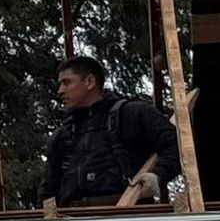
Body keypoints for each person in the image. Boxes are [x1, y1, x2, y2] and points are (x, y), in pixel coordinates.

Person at [38, 54, 181, 208]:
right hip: (74, 220)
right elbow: (49, 188)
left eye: (67, 82)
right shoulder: (62, 135)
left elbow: (178, 147)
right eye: (60, 84)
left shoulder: (132, 115)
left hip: (129, 217)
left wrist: (157, 175)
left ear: (89, 82)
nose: (60, 91)